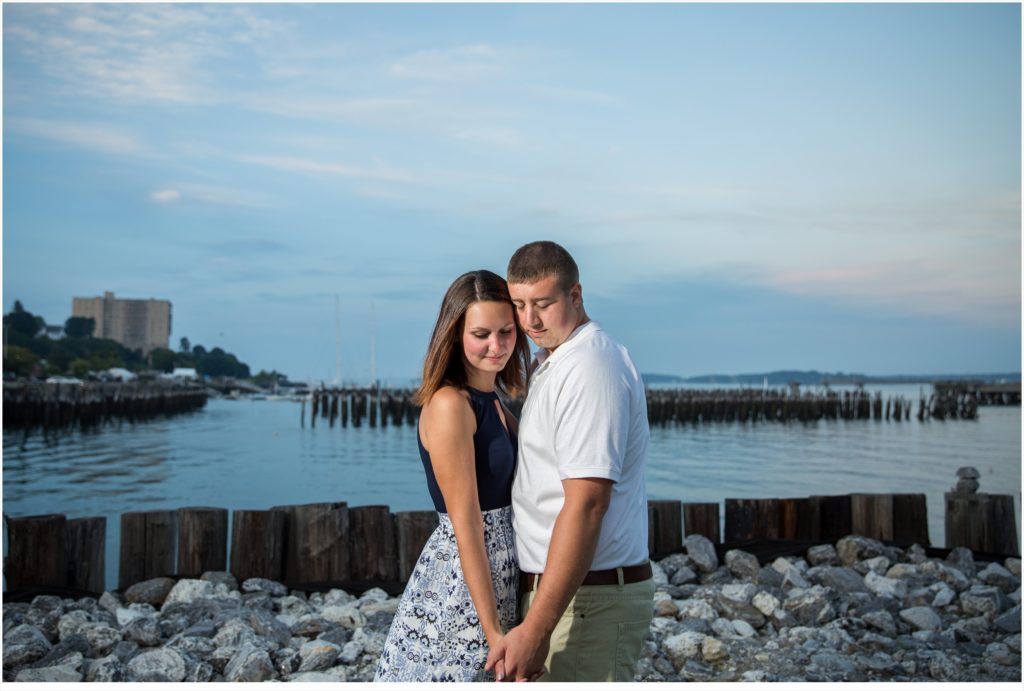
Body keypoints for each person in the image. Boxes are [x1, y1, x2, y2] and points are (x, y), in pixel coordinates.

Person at [485, 241, 654, 682]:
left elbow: (586, 504)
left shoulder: (590, 367)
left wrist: (536, 629)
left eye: (543, 304)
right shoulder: (556, 362)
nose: (529, 321)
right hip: (571, 595)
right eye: (519, 305)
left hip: (587, 601)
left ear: (575, 296)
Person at [374, 269, 531, 682]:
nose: (496, 346)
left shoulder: (494, 401)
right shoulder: (450, 405)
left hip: (500, 571)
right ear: (454, 334)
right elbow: (466, 525)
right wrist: (493, 629)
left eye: (506, 331)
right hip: (461, 584)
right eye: (481, 334)